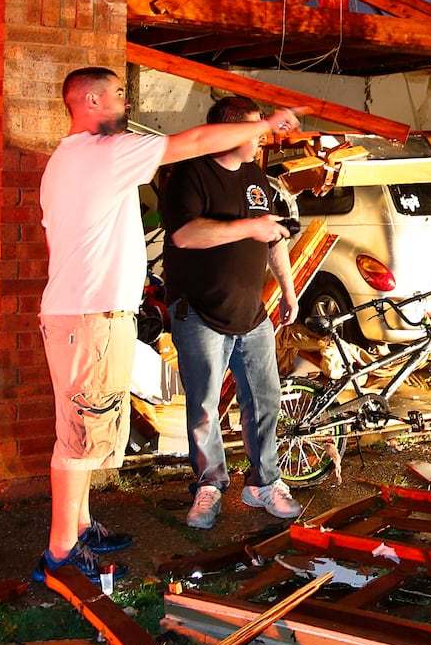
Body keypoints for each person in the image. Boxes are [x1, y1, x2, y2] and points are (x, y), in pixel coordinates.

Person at [36, 66, 303, 583]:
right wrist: (267, 123)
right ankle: (62, 553)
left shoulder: (69, 161)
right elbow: (197, 140)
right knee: (78, 437)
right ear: (90, 101)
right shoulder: (103, 151)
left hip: (85, 313)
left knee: (85, 430)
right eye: (117, 94)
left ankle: (83, 524)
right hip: (90, 317)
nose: (125, 103)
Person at [161, 95, 304, 529]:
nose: (261, 136)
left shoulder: (256, 174)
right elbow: (185, 236)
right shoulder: (188, 174)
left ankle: (264, 482)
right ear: (229, 129)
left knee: (264, 401)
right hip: (200, 311)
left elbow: (273, 237)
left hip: (252, 313)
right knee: (204, 407)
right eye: (254, 128)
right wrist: (248, 227)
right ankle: (209, 485)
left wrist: (287, 289)